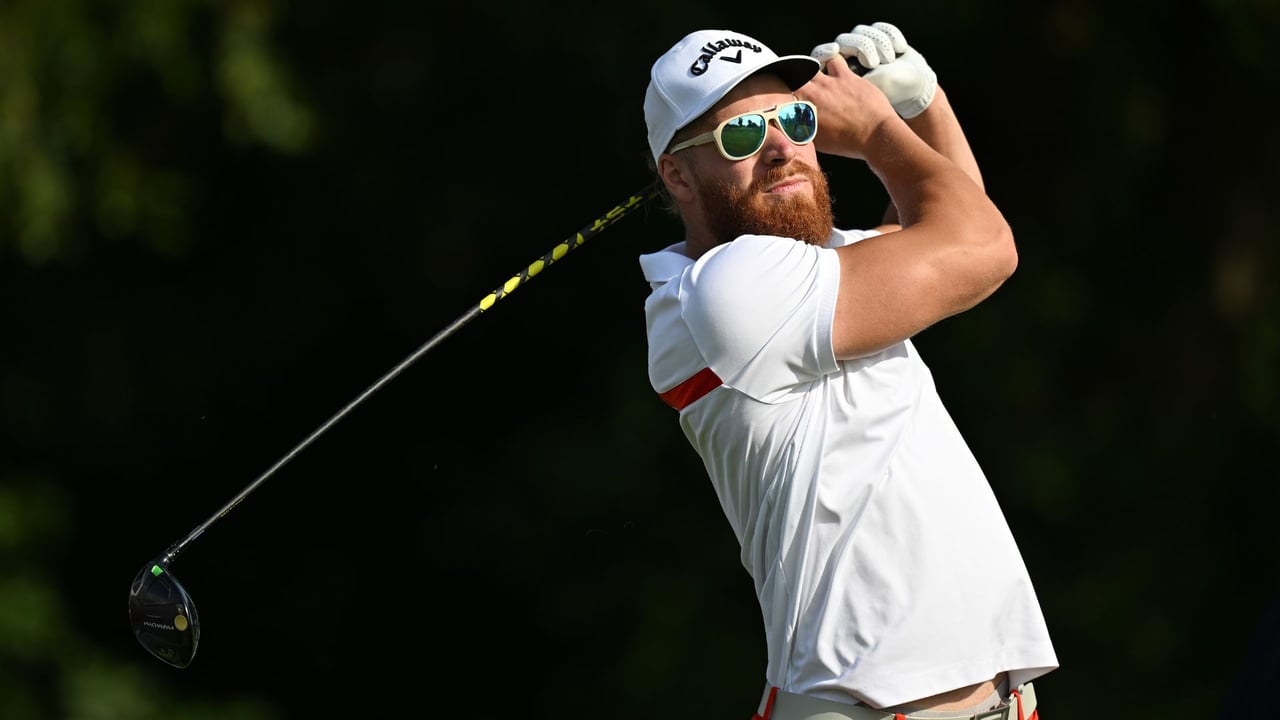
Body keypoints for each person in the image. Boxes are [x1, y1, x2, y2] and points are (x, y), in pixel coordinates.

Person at [638, 22, 1059, 720]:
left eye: (795, 120)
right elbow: (981, 246)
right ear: (677, 175)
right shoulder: (724, 293)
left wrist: (924, 106)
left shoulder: (795, 274)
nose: (781, 148)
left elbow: (948, 225)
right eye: (742, 135)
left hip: (994, 702)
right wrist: (877, 130)